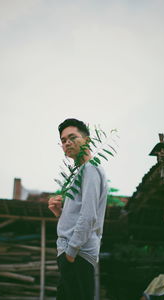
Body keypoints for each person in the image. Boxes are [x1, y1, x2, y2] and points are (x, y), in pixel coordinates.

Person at [48, 118, 108, 300]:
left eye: (72, 137)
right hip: (73, 252)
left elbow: (89, 216)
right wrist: (60, 212)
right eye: (63, 140)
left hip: (77, 253)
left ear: (87, 140)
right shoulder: (81, 172)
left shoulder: (90, 169)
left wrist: (71, 253)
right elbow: (80, 214)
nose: (67, 143)